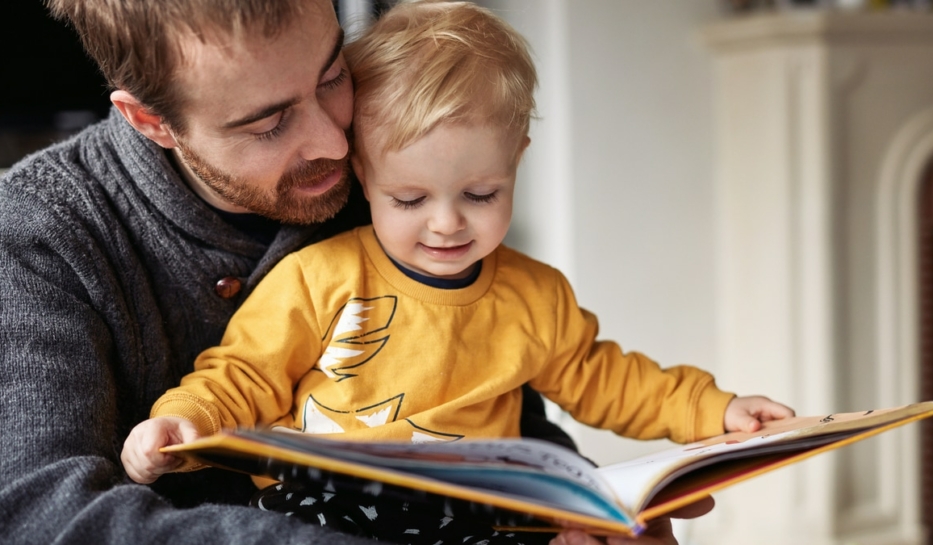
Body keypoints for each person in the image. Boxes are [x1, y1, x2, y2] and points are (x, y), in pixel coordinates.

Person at [120, 2, 795, 544]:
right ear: (363, 173)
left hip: (480, 506)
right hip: (331, 502)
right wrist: (185, 421)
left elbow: (607, 377)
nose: (447, 224)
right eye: (409, 200)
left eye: (481, 194)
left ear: (518, 160)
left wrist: (718, 410)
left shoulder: (536, 295)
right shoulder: (320, 275)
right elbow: (244, 373)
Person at [0, 0, 575, 544]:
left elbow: (499, 404)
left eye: (332, 77)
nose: (332, 141)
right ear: (150, 120)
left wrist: (580, 511)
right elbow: (42, 515)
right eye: (269, 123)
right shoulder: (39, 233)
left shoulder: (398, 184)